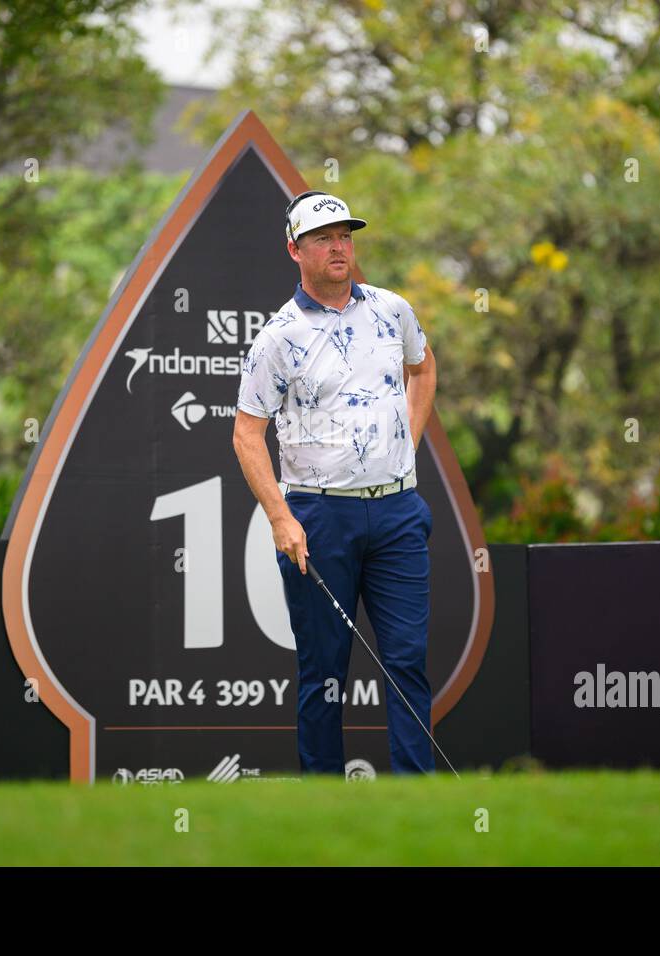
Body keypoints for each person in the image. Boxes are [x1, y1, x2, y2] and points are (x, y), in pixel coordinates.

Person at [232, 190, 439, 776]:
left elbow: (423, 369)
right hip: (319, 517)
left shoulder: (391, 310)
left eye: (344, 235)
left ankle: (415, 797)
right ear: (294, 249)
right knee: (323, 670)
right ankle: (322, 797)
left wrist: (407, 446)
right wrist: (280, 517)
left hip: (397, 511)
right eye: (322, 238)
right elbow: (247, 435)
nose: (338, 247)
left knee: (406, 660)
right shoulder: (278, 336)